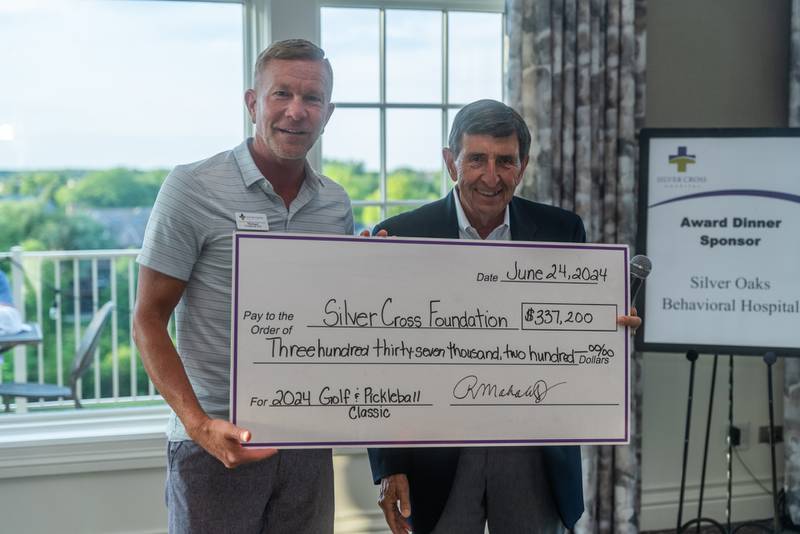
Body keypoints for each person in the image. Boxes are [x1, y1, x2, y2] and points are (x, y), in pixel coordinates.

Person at [368, 99, 641, 534]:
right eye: (476, 159)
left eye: (505, 161)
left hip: (532, 446)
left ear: (524, 164)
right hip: (436, 451)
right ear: (450, 162)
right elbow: (379, 361)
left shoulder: (563, 231)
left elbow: (577, 333)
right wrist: (389, 465)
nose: (491, 176)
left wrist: (606, 327)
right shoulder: (400, 236)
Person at [133, 39, 352, 534]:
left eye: (312, 98)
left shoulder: (335, 205)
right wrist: (199, 427)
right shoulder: (191, 187)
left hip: (306, 442)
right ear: (253, 102)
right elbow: (148, 319)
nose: (296, 112)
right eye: (282, 94)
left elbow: (335, 317)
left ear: (328, 112)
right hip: (214, 443)